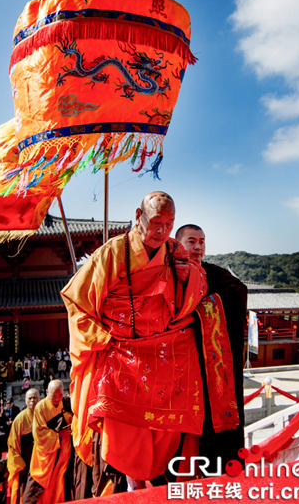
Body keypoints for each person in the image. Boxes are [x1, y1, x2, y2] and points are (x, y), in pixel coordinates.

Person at [61, 191, 208, 493]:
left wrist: (186, 277)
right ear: (138, 216)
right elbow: (76, 298)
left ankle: (156, 484)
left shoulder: (173, 249)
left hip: (164, 349)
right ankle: (132, 486)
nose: (162, 231)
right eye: (156, 222)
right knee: (124, 432)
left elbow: (199, 281)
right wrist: (101, 337)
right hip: (124, 351)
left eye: (169, 224)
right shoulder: (113, 253)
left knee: (165, 427)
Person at [176, 224, 247, 473]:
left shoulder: (212, 273)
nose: (198, 247)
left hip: (209, 361)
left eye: (202, 242)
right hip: (177, 364)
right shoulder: (165, 271)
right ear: (177, 244)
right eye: (191, 241)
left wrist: (201, 307)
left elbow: (238, 291)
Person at [22, 380, 73, 504]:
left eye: (60, 395)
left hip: (63, 453)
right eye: (53, 396)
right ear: (46, 393)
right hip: (45, 457)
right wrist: (58, 435)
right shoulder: (41, 407)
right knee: (37, 489)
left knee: (60, 484)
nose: (57, 399)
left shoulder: (66, 404)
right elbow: (39, 434)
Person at [7, 388, 40, 504]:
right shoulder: (19, 420)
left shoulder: (44, 416)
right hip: (25, 465)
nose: (32, 401)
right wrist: (20, 465)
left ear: (40, 399)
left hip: (41, 463)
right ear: (25, 400)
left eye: (35, 398)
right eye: (30, 398)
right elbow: (12, 445)